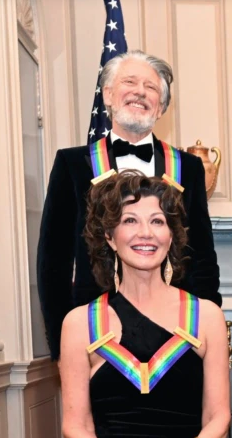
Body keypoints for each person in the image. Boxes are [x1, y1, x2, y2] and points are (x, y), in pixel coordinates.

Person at [29, 172, 230, 438]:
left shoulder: (205, 316)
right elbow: (75, 429)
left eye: (158, 221)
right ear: (108, 237)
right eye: (129, 220)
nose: (146, 233)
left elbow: (218, 417)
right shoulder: (79, 323)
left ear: (172, 235)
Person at [38, 50, 220, 361]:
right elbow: (53, 261)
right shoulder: (72, 164)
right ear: (108, 94)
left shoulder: (188, 167)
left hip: (176, 332)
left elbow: (201, 255)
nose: (139, 92)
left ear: (161, 105)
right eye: (130, 82)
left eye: (151, 87)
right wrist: (62, 344)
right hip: (95, 332)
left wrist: (205, 332)